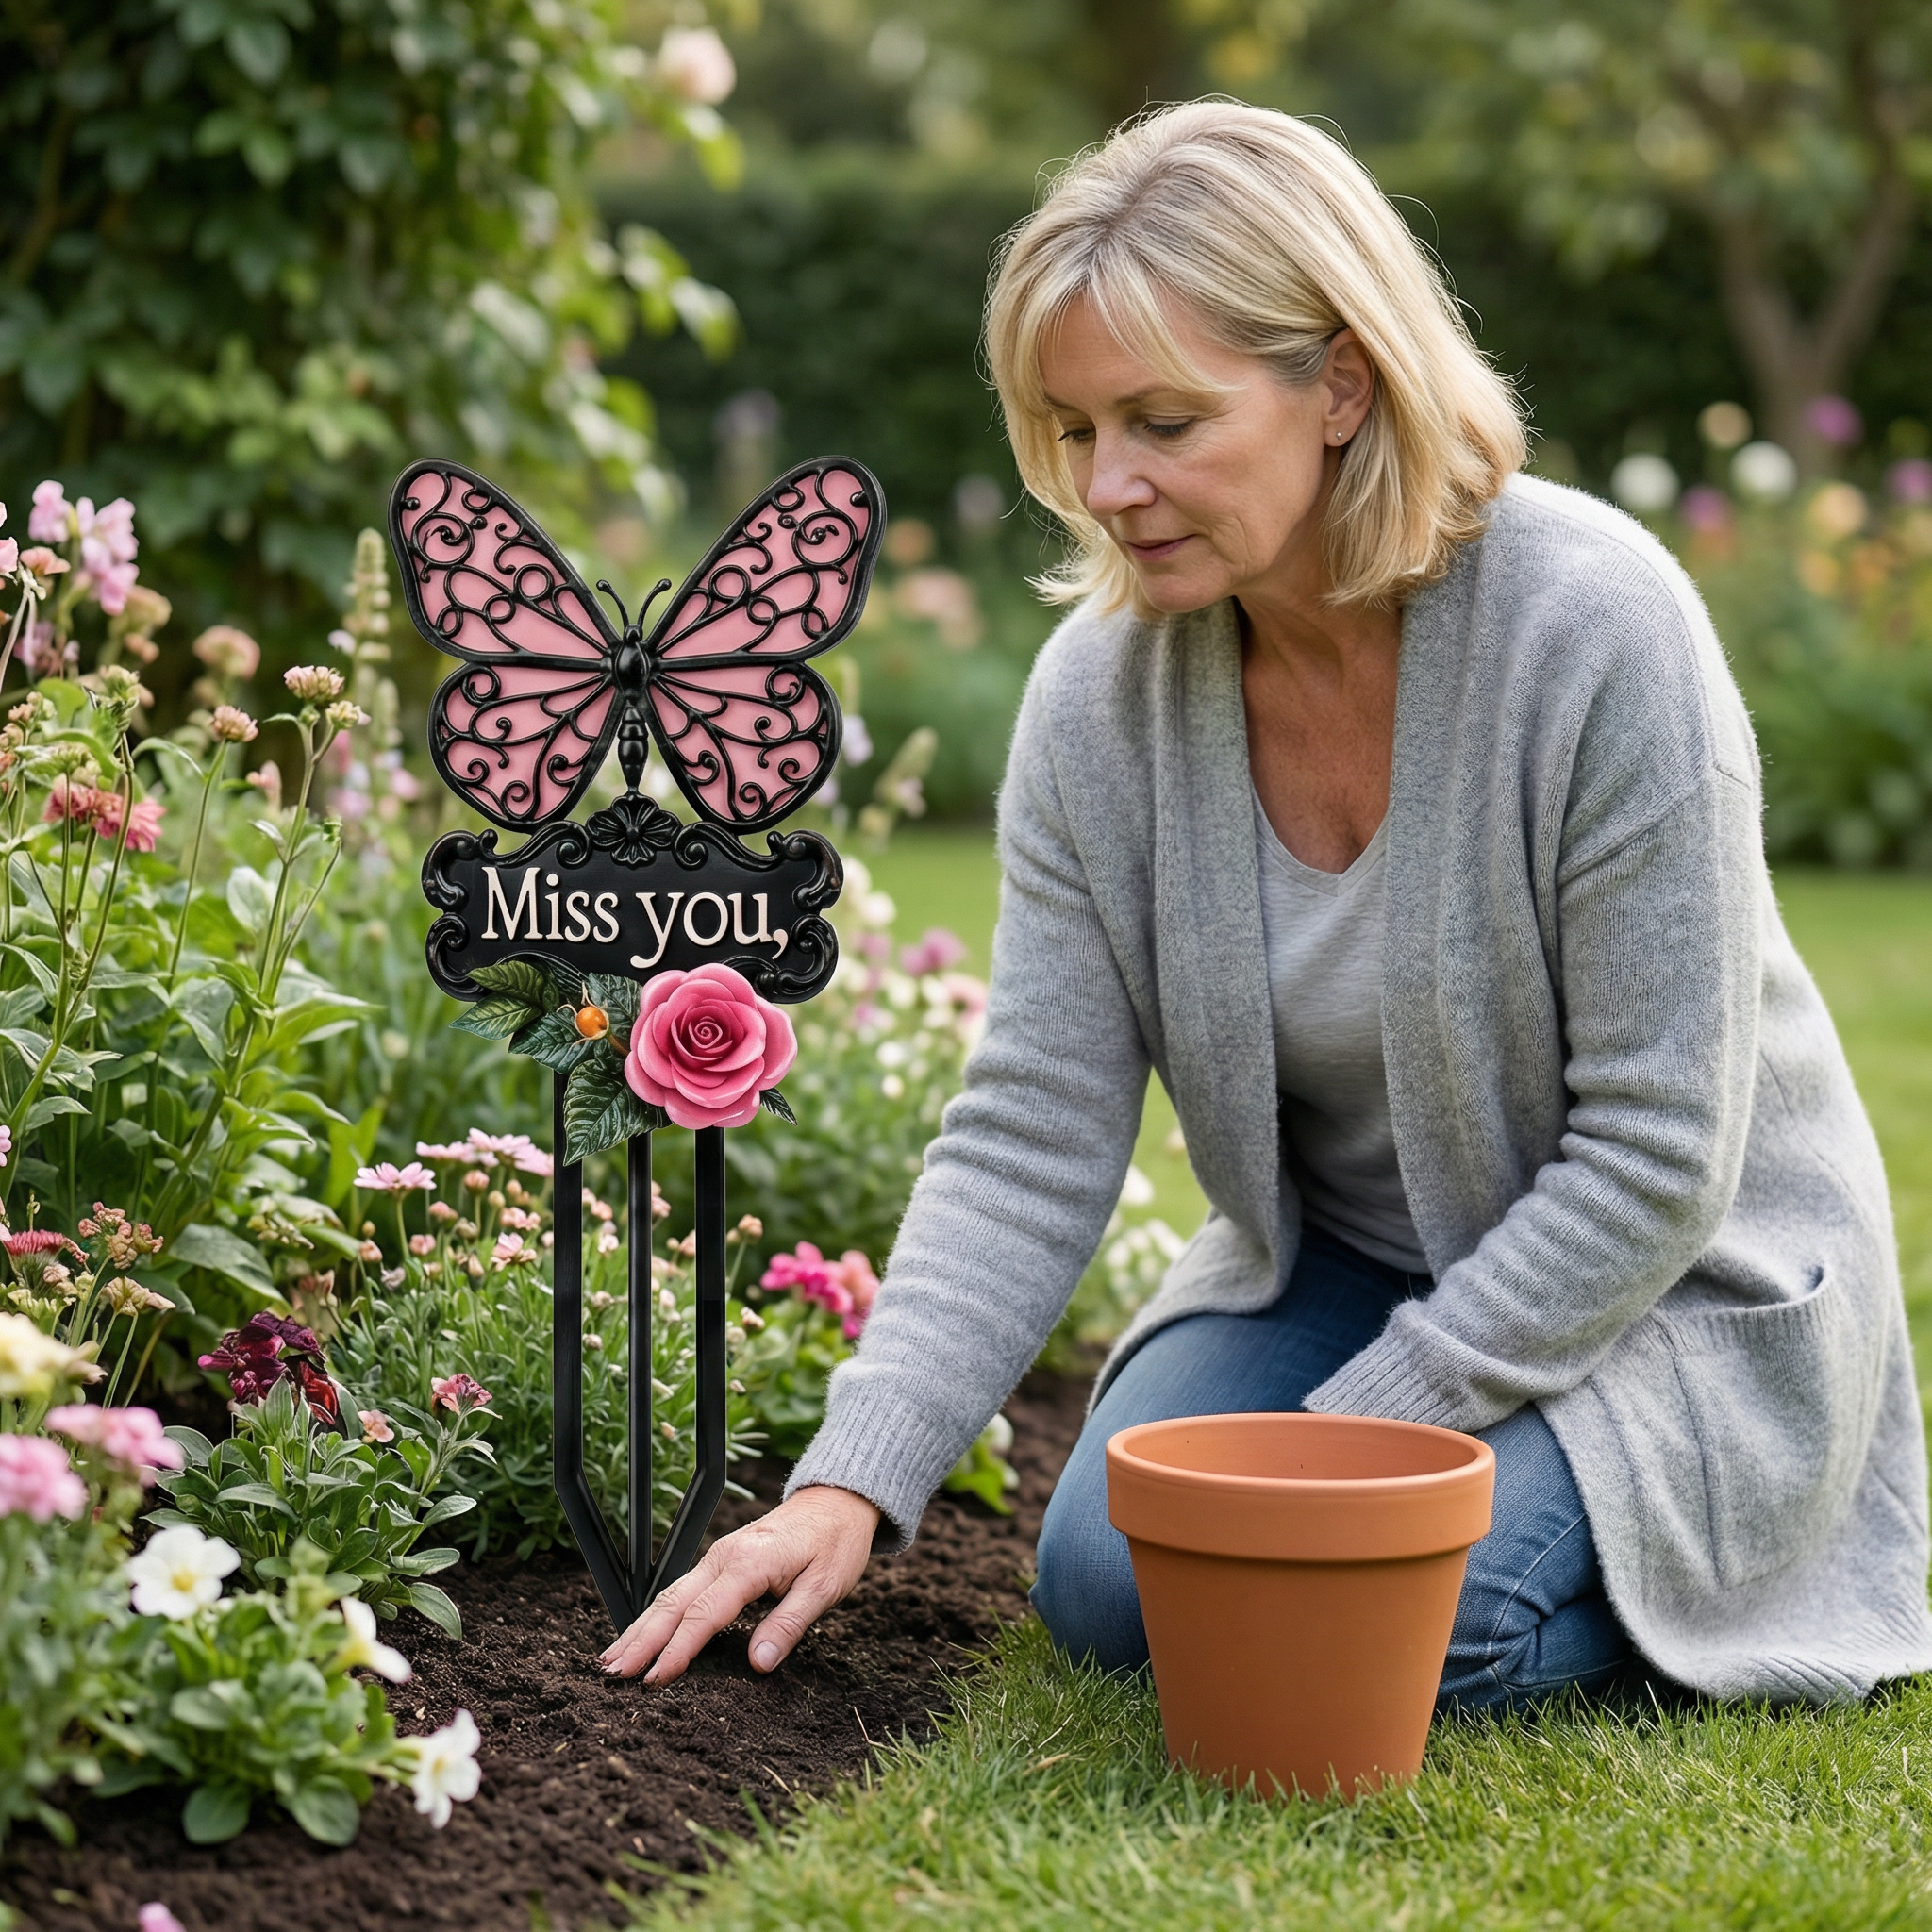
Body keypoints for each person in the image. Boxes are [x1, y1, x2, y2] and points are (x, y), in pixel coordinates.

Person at [602, 100, 1932, 1708]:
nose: (1111, 483)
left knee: (1377, 1625)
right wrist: (848, 1477)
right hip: (1353, 1264)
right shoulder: (1100, 700)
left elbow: (1658, 1159)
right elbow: (1032, 1124)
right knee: (1111, 1587)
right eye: (1078, 428)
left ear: (1342, 384)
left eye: (1166, 420)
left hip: (1670, 1292)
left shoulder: (1595, 630)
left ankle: (1733, 1558)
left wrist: (1350, 1442)